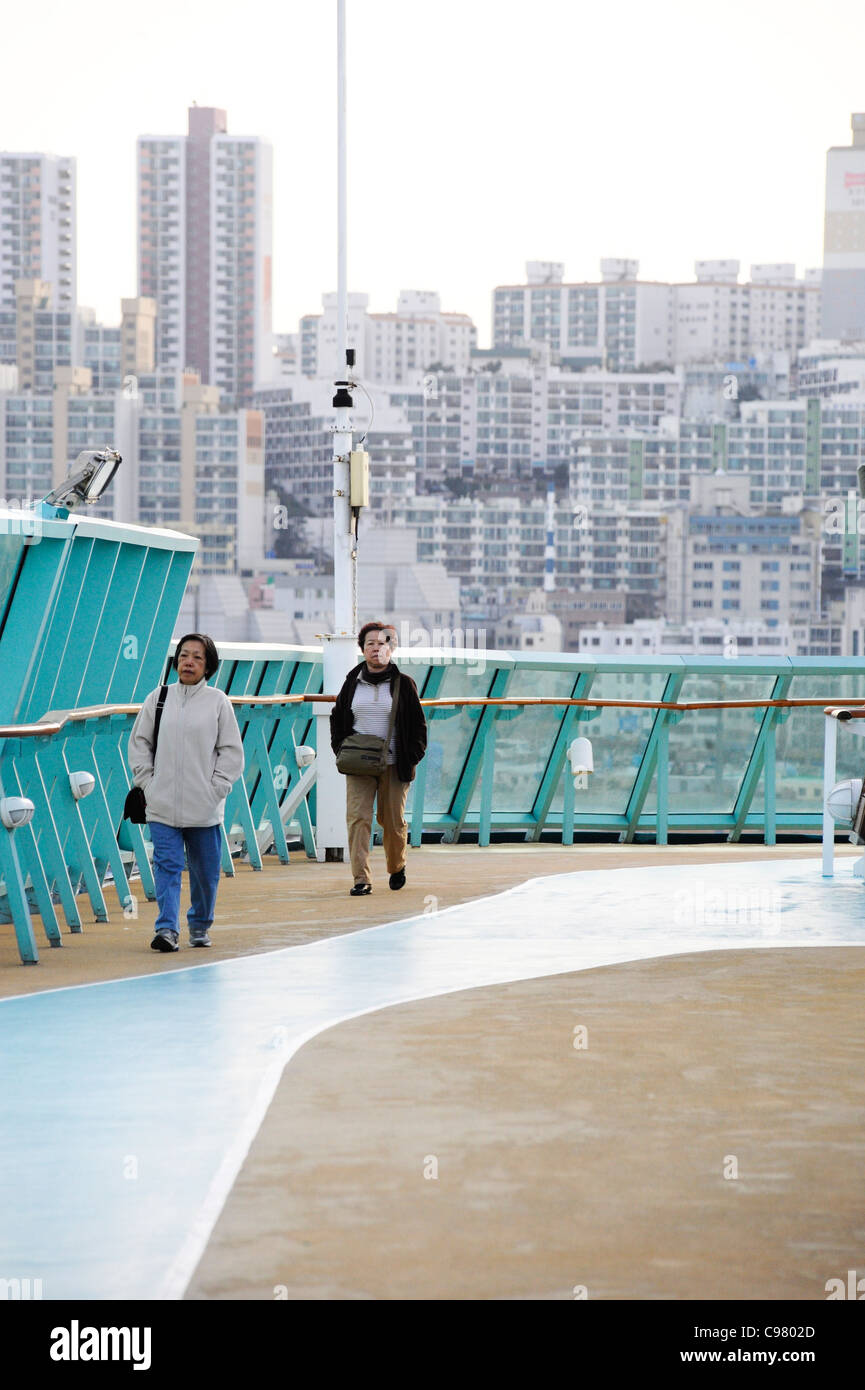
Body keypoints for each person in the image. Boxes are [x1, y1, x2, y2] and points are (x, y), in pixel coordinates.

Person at [128, 633, 245, 952]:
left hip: (204, 807)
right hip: (161, 803)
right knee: (166, 865)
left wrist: (216, 789)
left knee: (206, 873)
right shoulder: (159, 697)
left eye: (196, 657)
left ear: (208, 666)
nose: (188, 662)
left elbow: (231, 751)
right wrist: (148, 783)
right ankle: (166, 928)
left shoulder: (218, 702)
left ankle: (200, 923)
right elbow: (140, 743)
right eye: (183, 656)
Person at [330, 621, 427, 896]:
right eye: (370, 644)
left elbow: (418, 725)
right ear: (362, 649)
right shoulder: (352, 683)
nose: (376, 649)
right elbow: (339, 719)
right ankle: (361, 878)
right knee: (358, 819)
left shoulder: (403, 684)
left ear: (391, 649)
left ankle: (397, 866)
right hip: (359, 762)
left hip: (394, 764)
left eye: (382, 644)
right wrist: (341, 749)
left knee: (392, 820)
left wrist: (413, 755)